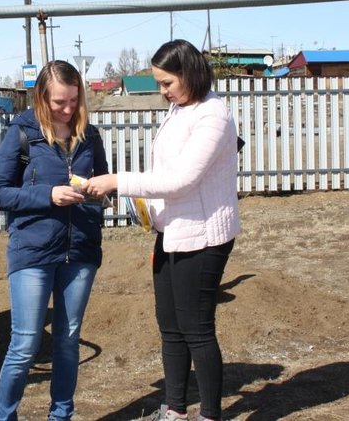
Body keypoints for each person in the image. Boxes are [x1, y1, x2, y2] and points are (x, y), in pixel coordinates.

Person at [83, 39, 241, 421]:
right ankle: (175, 411)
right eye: (159, 83)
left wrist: (118, 181)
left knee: (196, 328)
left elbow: (181, 180)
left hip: (203, 236)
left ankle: (209, 415)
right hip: (172, 230)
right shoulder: (179, 108)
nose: (163, 91)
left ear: (190, 73)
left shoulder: (212, 115)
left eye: (167, 82)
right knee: (170, 326)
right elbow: (165, 171)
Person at [0, 60, 109, 421]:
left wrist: (100, 193)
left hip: (81, 249)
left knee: (68, 340)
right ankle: (3, 416)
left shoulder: (90, 136)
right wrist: (48, 195)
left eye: (73, 101)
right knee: (25, 343)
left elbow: (104, 183)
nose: (67, 109)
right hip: (33, 250)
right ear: (41, 97)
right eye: (59, 102)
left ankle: (61, 415)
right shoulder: (22, 133)